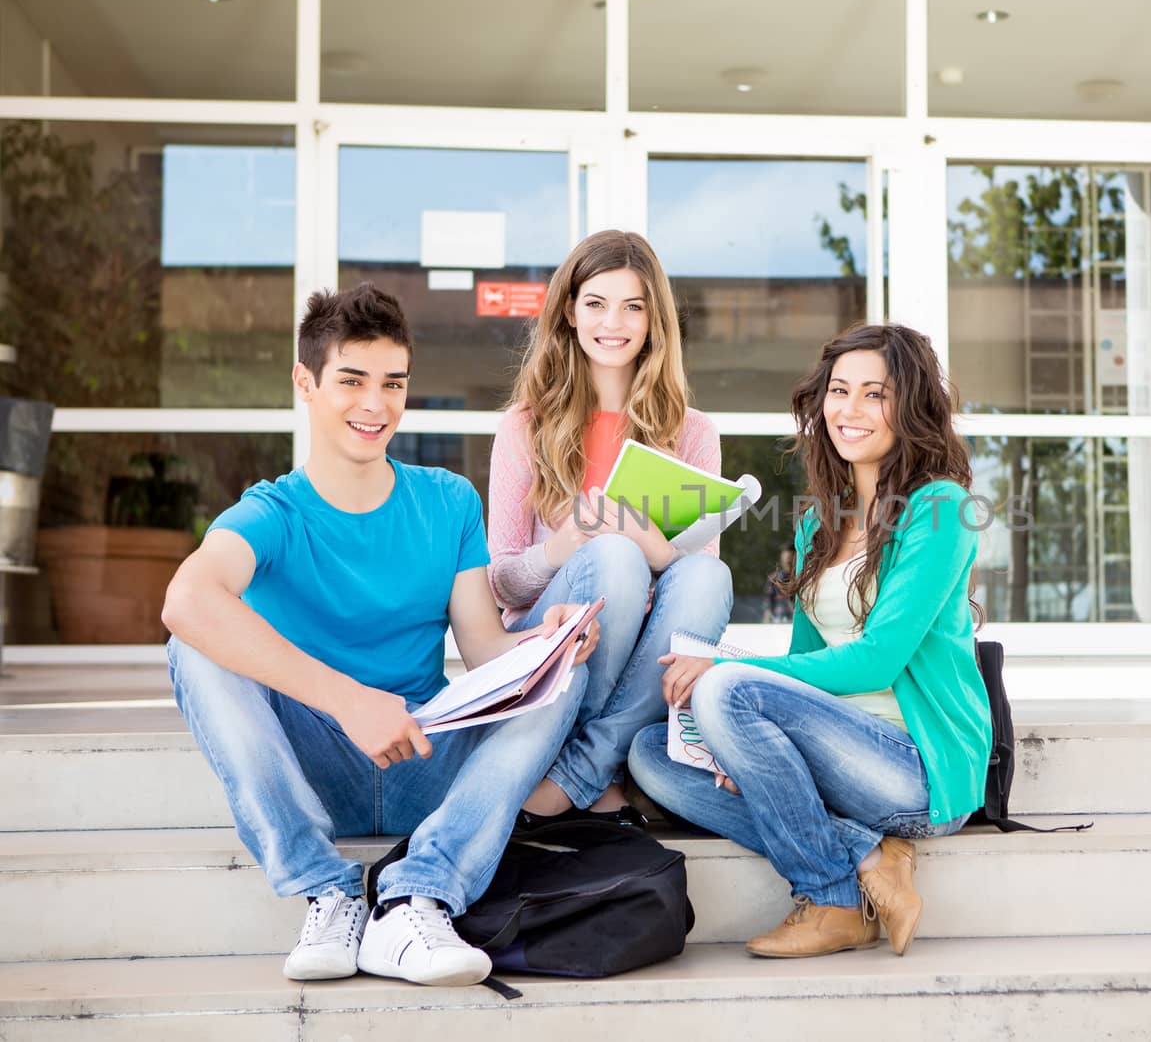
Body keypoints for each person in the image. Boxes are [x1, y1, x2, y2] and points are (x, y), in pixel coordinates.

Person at [163, 283, 599, 988]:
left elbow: (485, 649)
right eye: (352, 381)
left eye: (392, 383)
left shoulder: (448, 499)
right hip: (316, 762)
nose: (376, 404)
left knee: (564, 669)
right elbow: (186, 598)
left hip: (428, 751)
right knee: (193, 644)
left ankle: (413, 895)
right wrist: (347, 699)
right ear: (305, 383)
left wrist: (547, 641)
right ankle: (327, 889)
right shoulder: (273, 510)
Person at [629, 322, 991, 959]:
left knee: (726, 688)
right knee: (648, 756)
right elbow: (802, 661)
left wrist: (723, 675)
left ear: (910, 406)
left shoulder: (940, 509)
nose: (848, 411)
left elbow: (878, 657)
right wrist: (741, 748)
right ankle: (871, 855)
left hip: (913, 770)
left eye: (874, 395)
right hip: (837, 756)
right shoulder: (822, 520)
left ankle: (831, 896)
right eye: (839, 391)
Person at [488, 229, 733, 824]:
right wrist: (566, 546)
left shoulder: (693, 431)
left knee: (709, 574)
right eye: (596, 303)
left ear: (654, 320)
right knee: (614, 557)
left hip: (647, 643)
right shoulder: (524, 426)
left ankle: (583, 770)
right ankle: (597, 768)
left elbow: (697, 587)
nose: (613, 322)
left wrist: (654, 547)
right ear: (569, 312)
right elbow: (501, 587)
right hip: (557, 633)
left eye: (633, 306)